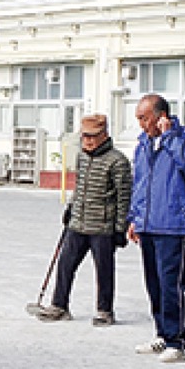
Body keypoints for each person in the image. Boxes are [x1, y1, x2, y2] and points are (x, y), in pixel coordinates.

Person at [31, 114, 133, 327]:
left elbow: (124, 197)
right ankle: (59, 305)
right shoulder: (82, 157)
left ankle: (105, 310)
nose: (88, 141)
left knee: (104, 270)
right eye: (85, 136)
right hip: (78, 222)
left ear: (104, 135)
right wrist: (71, 207)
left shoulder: (118, 161)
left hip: (102, 225)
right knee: (65, 264)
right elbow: (79, 187)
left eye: (93, 136)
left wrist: (120, 228)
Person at [127, 94, 185, 363]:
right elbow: (139, 183)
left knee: (171, 284)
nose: (141, 124)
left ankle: (176, 340)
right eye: (138, 118)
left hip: (173, 224)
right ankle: (161, 333)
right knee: (154, 284)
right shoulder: (143, 144)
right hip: (148, 224)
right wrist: (134, 218)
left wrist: (169, 137)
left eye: (144, 118)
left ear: (161, 116)